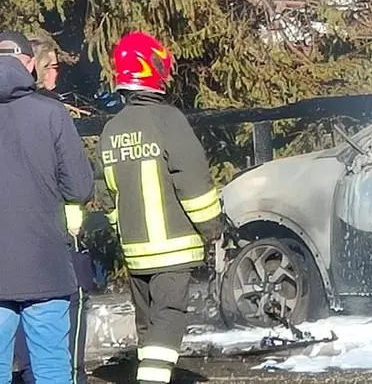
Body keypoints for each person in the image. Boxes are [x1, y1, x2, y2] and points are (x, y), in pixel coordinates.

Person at [98, 31, 223, 384]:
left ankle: (150, 373)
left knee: (148, 323)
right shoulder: (169, 121)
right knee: (168, 317)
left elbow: (105, 192)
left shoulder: (112, 129)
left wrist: (120, 229)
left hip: (135, 250)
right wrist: (212, 226)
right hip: (173, 248)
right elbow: (194, 181)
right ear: (154, 69)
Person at [0, 31, 94, 383]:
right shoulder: (51, 114)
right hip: (46, 265)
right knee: (52, 367)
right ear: (28, 64)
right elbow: (80, 187)